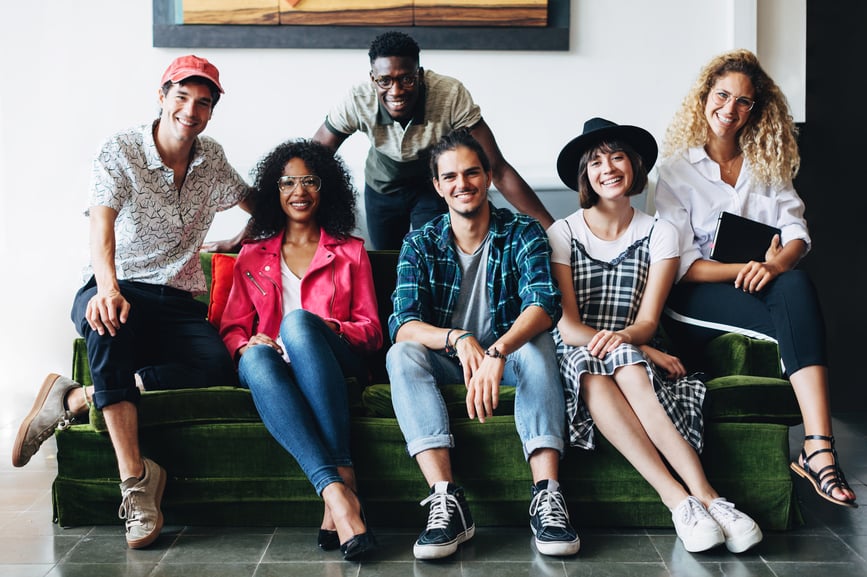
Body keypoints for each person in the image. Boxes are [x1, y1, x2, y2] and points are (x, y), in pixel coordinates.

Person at [11, 55, 253, 548]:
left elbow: (263, 204)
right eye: (182, 97)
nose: (191, 109)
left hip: (178, 297)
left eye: (203, 103)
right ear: (162, 96)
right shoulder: (120, 149)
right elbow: (100, 225)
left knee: (216, 366)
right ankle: (137, 483)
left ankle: (73, 397)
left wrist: (235, 241)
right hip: (117, 284)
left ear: (211, 112)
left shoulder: (213, 160)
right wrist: (107, 288)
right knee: (106, 325)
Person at [653, 49, 857, 509]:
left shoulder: (768, 162)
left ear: (755, 109)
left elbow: (796, 234)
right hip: (695, 296)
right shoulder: (675, 171)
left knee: (796, 284)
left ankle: (817, 445)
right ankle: (817, 451)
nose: (730, 109)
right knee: (794, 304)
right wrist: (747, 270)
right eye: (722, 95)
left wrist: (775, 266)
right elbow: (681, 263)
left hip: (765, 285)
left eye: (743, 102)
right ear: (705, 97)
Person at [549, 117, 763, 554]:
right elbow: (567, 325)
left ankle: (709, 497)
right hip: (576, 347)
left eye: (617, 156)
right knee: (594, 366)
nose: (607, 167)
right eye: (595, 162)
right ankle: (678, 498)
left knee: (626, 365)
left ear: (635, 165)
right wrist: (627, 343)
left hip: (630, 343)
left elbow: (647, 321)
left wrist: (633, 342)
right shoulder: (563, 232)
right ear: (585, 176)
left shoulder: (660, 232)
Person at [386, 129, 580, 560]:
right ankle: (445, 501)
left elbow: (544, 304)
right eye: (450, 176)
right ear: (438, 186)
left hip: (506, 359)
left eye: (472, 173)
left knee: (538, 344)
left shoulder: (522, 231)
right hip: (449, 359)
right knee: (402, 354)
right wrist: (457, 338)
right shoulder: (420, 241)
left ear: (488, 177)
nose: (462, 184)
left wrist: (497, 351)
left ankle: (547, 498)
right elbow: (402, 323)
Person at [219, 139, 381, 561]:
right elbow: (232, 329)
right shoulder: (251, 256)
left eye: (309, 180)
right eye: (287, 182)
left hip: (332, 359)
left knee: (296, 324)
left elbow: (371, 332)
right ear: (274, 191)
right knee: (254, 356)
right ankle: (339, 491)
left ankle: (341, 476)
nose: (299, 191)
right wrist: (248, 342)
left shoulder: (349, 253)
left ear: (325, 189)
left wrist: (320, 326)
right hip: (274, 367)